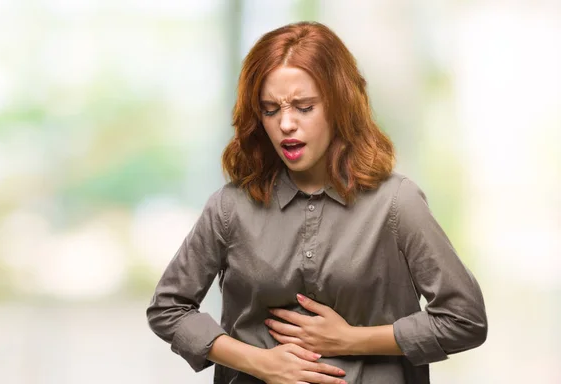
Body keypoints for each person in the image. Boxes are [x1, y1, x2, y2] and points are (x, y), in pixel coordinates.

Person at [147, 21, 487, 384]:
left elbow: (464, 319)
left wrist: (352, 341)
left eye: (304, 107)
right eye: (270, 109)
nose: (286, 124)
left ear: (339, 105)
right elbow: (169, 308)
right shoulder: (230, 208)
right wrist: (258, 362)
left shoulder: (397, 203)